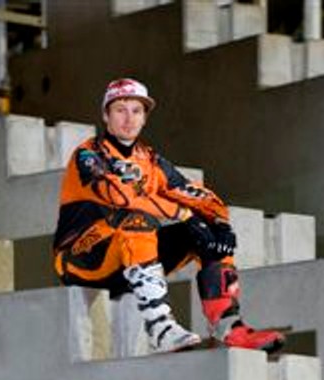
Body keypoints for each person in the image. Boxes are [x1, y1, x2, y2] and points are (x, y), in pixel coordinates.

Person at [53, 78, 284, 354]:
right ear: (106, 115)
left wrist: (219, 221)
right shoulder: (88, 155)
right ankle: (160, 327)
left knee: (207, 233)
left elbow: (194, 194)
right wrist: (184, 214)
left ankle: (229, 327)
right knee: (137, 220)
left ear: (144, 118)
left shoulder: (149, 160)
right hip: (81, 257)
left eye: (136, 111)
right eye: (120, 110)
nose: (129, 118)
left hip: (128, 259)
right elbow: (123, 197)